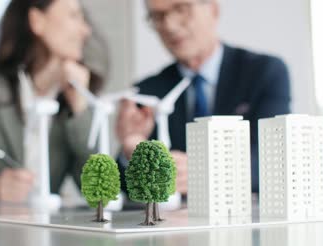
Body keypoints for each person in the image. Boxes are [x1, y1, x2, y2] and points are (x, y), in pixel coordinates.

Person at [0, 0, 110, 202]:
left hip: (49, 230)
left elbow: (101, 192)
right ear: (37, 20)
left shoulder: (78, 96)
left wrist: (80, 109)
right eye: (74, 16)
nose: (85, 30)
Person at [116, 0, 291, 193]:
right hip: (175, 220)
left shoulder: (264, 73)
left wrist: (209, 172)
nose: (169, 25)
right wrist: (131, 148)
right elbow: (122, 187)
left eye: (181, 9)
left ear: (213, 10)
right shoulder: (147, 92)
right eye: (158, 17)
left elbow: (275, 160)